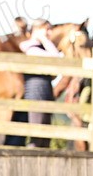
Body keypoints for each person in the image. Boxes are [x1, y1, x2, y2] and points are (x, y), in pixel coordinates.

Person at [4, 19, 62, 147]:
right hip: (35, 92)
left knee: (44, 132)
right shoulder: (30, 48)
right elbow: (56, 59)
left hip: (44, 91)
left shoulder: (39, 48)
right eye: (46, 29)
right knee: (36, 130)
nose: (50, 32)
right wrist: (44, 40)